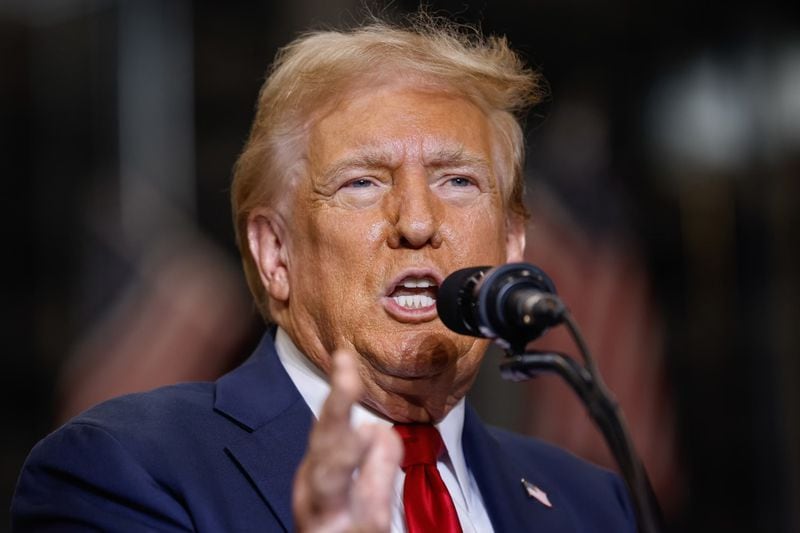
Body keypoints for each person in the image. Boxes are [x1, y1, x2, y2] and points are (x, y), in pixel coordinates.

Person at [12, 13, 637, 532]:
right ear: (275, 253)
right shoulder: (120, 472)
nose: (417, 221)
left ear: (510, 245)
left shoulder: (594, 506)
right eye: (363, 182)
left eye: (458, 180)